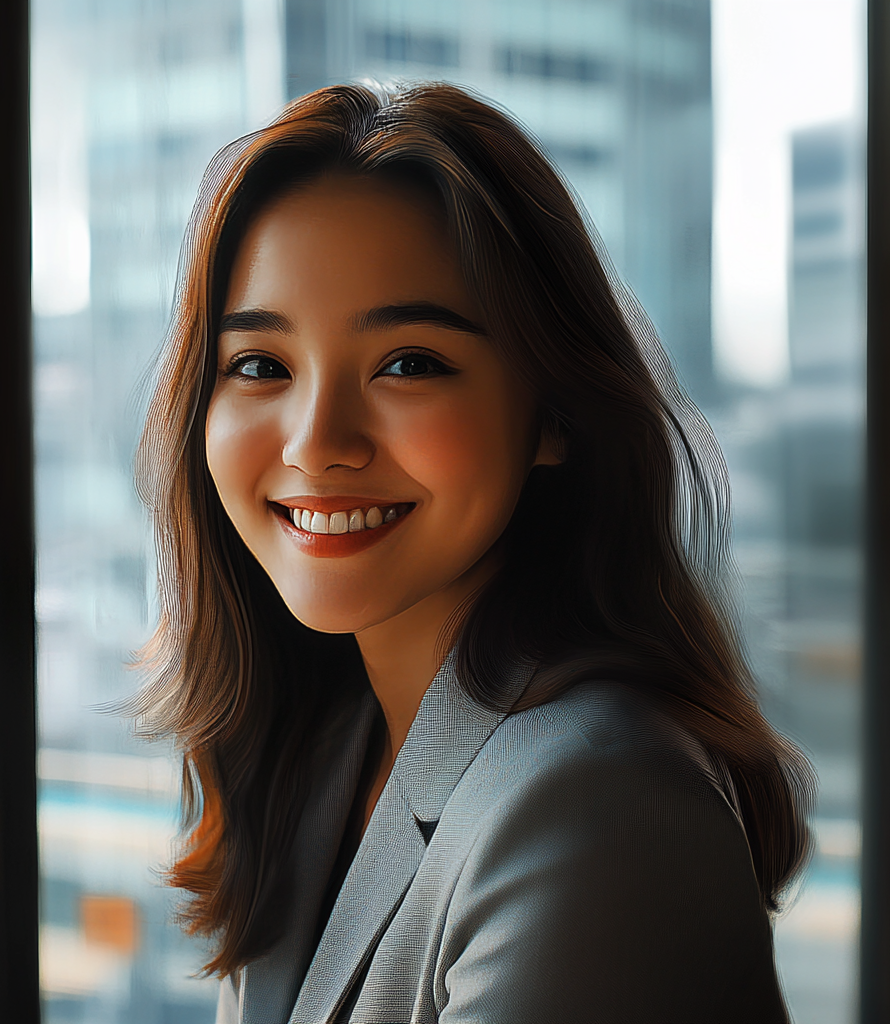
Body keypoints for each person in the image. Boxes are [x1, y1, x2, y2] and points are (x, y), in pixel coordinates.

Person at [132, 82, 814, 1023]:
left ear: (554, 414)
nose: (317, 441)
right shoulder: (322, 746)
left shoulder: (590, 801)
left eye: (410, 362)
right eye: (261, 366)